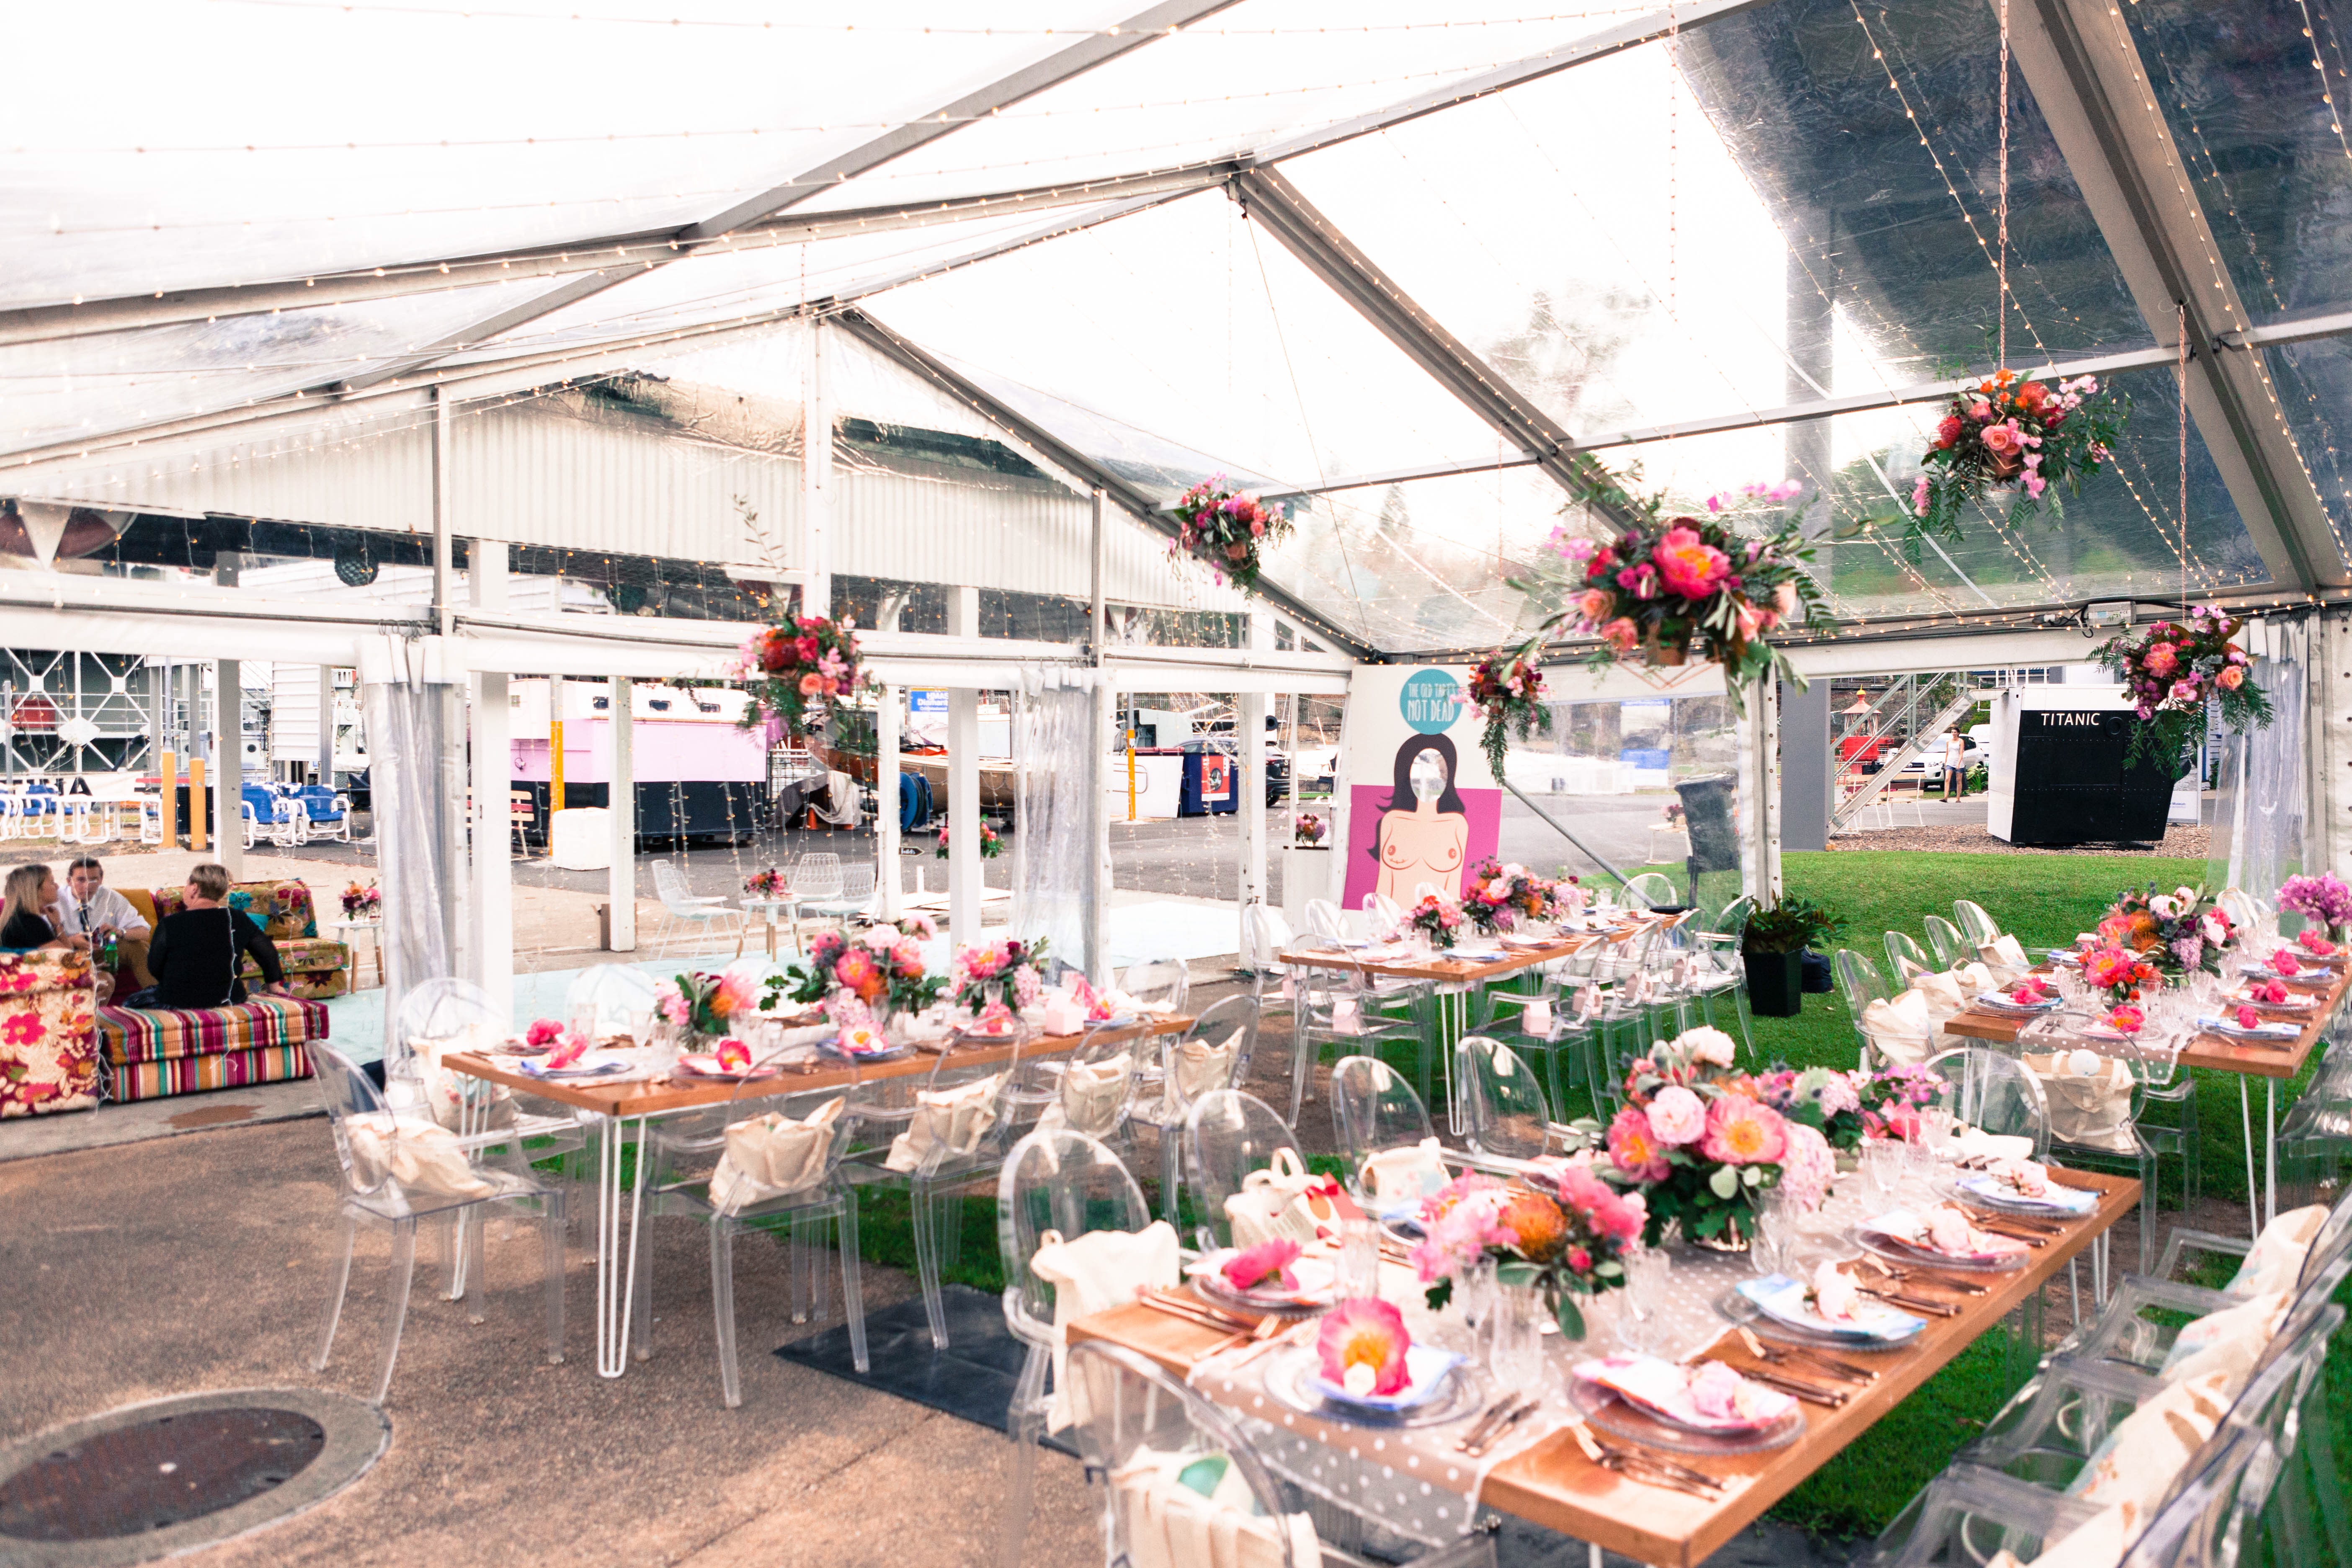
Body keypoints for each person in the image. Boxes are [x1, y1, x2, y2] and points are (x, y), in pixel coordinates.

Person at [119, 862, 286, 1010]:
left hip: (178, 1001)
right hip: (230, 998)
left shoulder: (170, 924)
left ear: (194, 888)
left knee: (132, 1002)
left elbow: (155, 967)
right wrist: (274, 986)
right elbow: (267, 951)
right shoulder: (237, 918)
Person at [1371, 733, 1471, 904]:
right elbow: (1384, 887)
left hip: (1437, 925)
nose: (1429, 779)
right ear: (1406, 773)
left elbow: (1454, 891)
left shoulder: (1457, 824)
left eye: (1438, 772)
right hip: (1396, 924)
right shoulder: (1393, 821)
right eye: (1421, 770)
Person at [53, 856, 154, 987]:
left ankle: (158, 1000)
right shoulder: (55, 901)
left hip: (102, 952)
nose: (87, 886)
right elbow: (39, 943)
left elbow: (144, 932)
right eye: (81, 880)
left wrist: (121, 932)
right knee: (106, 981)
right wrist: (72, 941)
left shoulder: (111, 898)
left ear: (101, 880)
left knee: (138, 947)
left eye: (93, 880)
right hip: (69, 955)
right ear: (69, 881)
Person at [0, 864, 88, 952]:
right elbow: (66, 955)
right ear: (37, 890)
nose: (57, 887)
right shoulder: (30, 922)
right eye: (52, 882)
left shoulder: (17, 917)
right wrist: (57, 926)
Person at [1942, 727, 1969, 801]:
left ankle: (1958, 798)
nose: (1954, 734)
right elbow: (1947, 753)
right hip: (1950, 762)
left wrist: (1959, 763)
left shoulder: (1961, 741)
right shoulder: (1949, 742)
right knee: (1947, 779)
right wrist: (1946, 762)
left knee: (1959, 780)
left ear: (1958, 733)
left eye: (1955, 732)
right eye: (1952, 732)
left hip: (1958, 762)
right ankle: (1946, 797)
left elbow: (1961, 753)